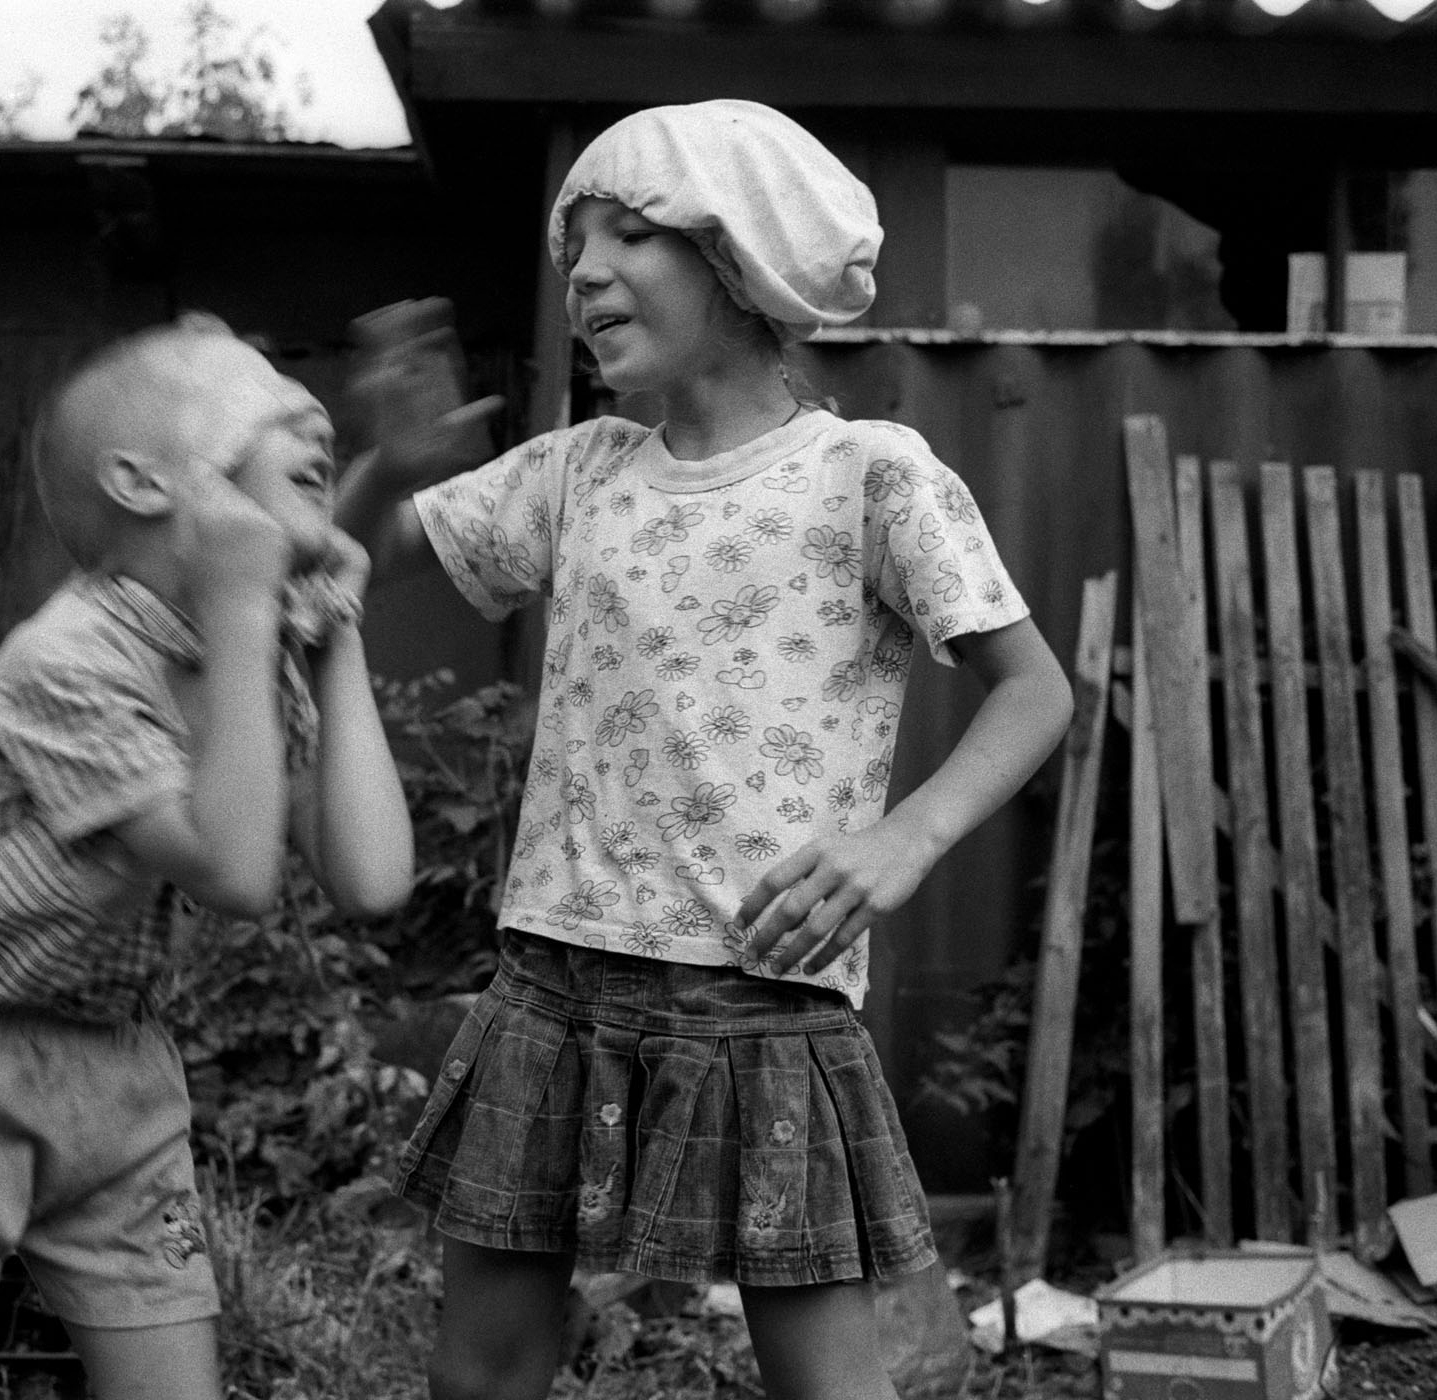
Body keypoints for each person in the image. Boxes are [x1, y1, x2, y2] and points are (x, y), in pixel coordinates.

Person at [338, 101, 1074, 1400]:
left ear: (742, 257)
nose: (585, 271)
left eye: (631, 233)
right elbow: (344, 562)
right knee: (476, 1375)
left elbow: (1033, 691)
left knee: (825, 1384)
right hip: (549, 982)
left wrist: (904, 837)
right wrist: (382, 471)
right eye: (575, 242)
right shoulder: (576, 472)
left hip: (756, 995)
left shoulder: (866, 474)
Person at [0, 314, 414, 1400]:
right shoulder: (60, 661)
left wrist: (335, 637)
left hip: (122, 1067)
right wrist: (244, 608)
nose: (311, 415)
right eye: (263, 401)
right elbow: (235, 875)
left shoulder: (245, 653)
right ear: (142, 482)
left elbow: (371, 879)